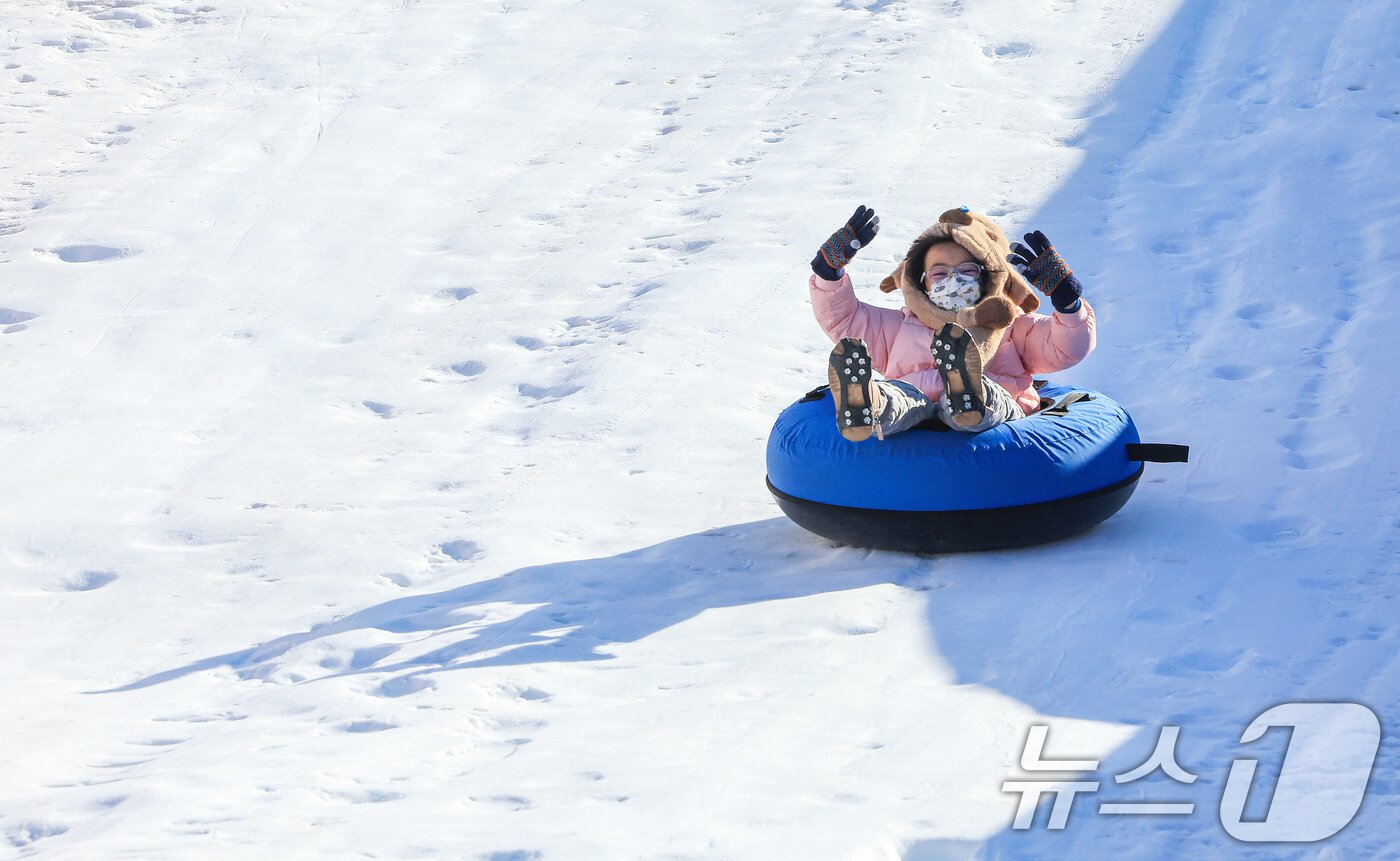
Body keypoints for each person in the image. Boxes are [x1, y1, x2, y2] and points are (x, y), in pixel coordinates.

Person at [808, 205, 1096, 442]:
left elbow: (1064, 347)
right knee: (898, 396)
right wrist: (828, 272)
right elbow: (846, 319)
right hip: (917, 404)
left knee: (993, 396)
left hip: (996, 412)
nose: (954, 281)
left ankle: (969, 394)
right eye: (940, 273)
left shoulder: (1009, 325)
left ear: (988, 277)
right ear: (920, 282)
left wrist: (1067, 303)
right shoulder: (899, 326)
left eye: (967, 270)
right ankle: (869, 404)